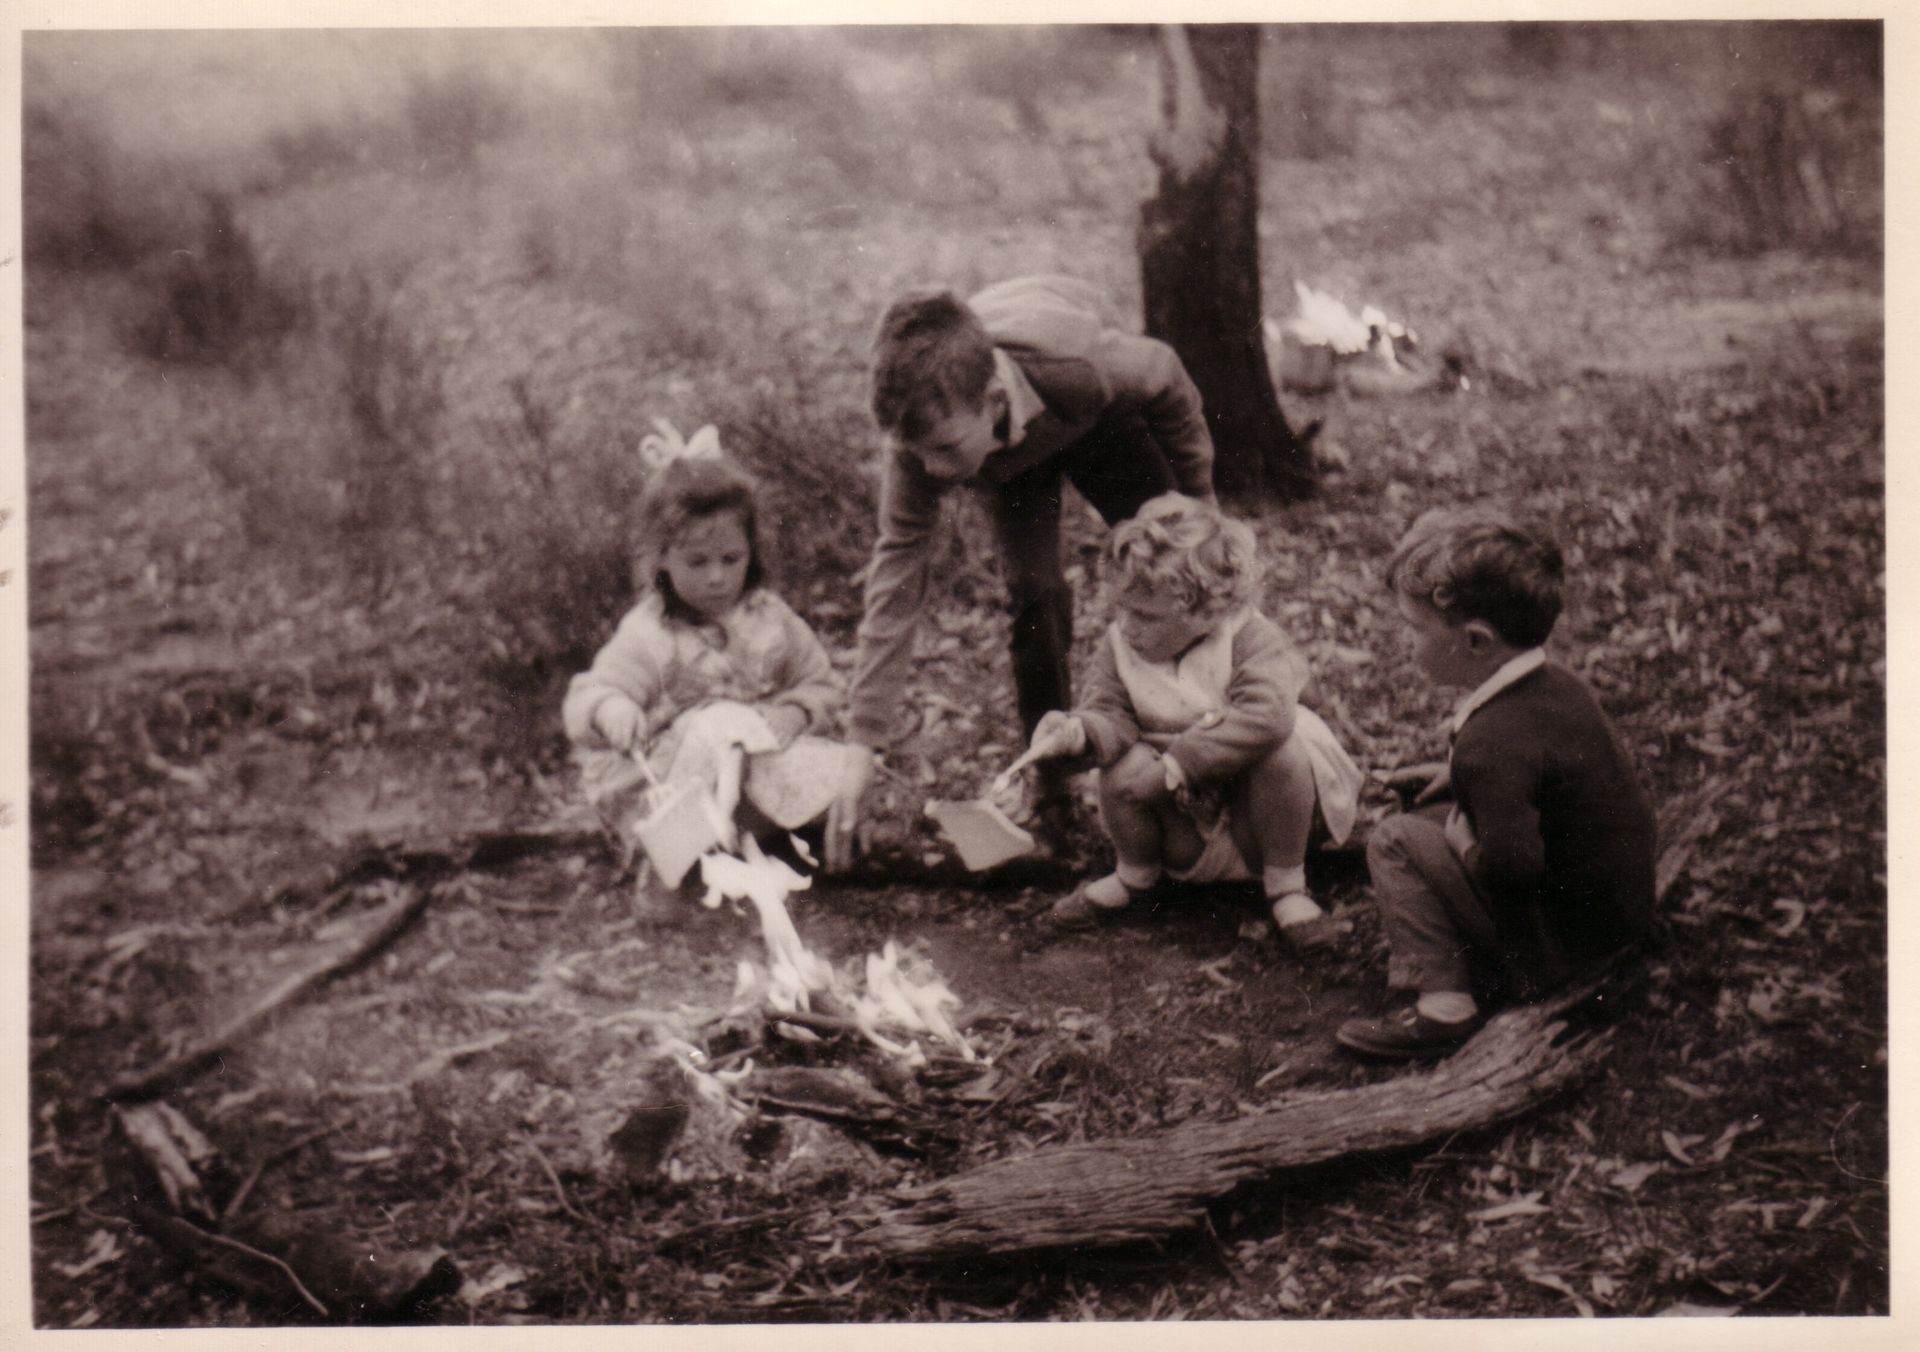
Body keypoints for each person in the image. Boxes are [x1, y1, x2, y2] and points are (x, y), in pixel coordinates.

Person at [826, 276, 1218, 871]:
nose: (933, 470)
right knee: (1034, 595)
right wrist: (860, 745)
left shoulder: (1079, 365)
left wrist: (1198, 504)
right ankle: (1055, 783)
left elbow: (1164, 375)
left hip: (1092, 421)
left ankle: (1212, 750)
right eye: (920, 455)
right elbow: (896, 580)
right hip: (1007, 461)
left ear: (992, 401)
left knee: (1176, 572)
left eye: (943, 450)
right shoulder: (926, 437)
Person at [1336, 506, 1657, 1061]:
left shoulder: (1491, 745)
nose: (1405, 642)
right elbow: (1545, 773)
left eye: (1415, 629)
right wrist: (1453, 777)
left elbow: (1513, 868)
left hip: (1563, 952)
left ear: (1478, 642)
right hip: (1616, 917)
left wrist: (1463, 841)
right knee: (1433, 818)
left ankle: (1445, 1007)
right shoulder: (1557, 685)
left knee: (1394, 840)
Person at [1013, 493, 1362, 942]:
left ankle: (1286, 885)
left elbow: (1267, 715)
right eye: (1123, 609)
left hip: (1257, 816)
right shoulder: (1122, 646)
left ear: (1207, 612)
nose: (1129, 625)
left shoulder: (1248, 637)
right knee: (1120, 766)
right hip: (1185, 827)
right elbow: (1110, 713)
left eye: (1146, 615)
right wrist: (1076, 733)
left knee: (1284, 751)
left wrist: (1177, 765)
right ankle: (1137, 875)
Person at [562, 424, 849, 900]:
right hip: (671, 788)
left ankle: (766, 845)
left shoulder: (769, 619)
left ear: (751, 553)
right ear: (661, 561)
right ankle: (666, 867)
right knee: (716, 724)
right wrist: (611, 709)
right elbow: (588, 698)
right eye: (697, 562)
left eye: (730, 558)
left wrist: (794, 712)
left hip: (749, 779)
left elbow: (820, 684)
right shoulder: (651, 634)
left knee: (842, 773)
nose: (717, 577)